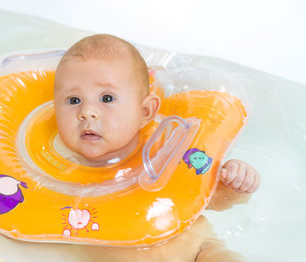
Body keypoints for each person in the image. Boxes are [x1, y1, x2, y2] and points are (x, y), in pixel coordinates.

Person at [53, 34, 260, 261]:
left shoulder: (169, 149)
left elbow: (213, 200)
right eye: (73, 100)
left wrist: (233, 184)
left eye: (107, 98)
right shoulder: (55, 174)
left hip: (198, 251)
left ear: (145, 112)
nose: (87, 111)